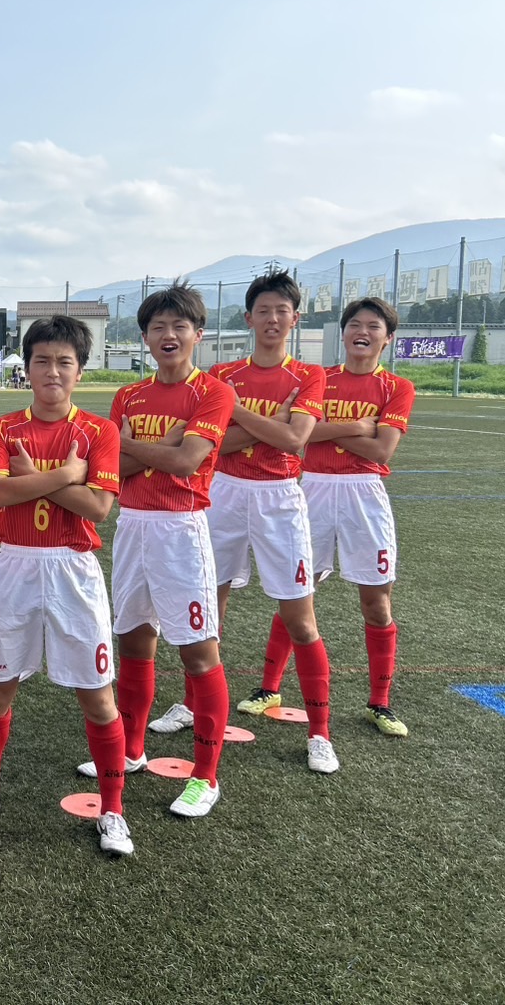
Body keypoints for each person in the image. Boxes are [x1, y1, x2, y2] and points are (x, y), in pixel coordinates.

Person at [0, 317, 133, 855]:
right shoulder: (0, 429)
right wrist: (67, 475)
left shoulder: (99, 431)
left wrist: (29, 480)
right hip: (14, 566)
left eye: (64, 362)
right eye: (41, 360)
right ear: (27, 368)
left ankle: (112, 810)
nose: (52, 371)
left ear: (80, 370)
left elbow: (99, 507)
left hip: (73, 569)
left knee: (98, 696)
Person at [201, 271, 337, 774]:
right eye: (264, 310)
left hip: (280, 497)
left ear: (295, 318)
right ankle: (196, 707)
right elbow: (214, 445)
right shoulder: (222, 374)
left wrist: (240, 414)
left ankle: (320, 732)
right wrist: (272, 423)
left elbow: (296, 441)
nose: (273, 319)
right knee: (209, 607)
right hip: (224, 492)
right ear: (248, 317)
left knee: (301, 619)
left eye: (282, 311)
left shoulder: (308, 375)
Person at [110, 284, 236, 818]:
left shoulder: (213, 393)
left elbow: (188, 463)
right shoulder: (128, 396)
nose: (168, 335)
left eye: (179, 326)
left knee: (197, 650)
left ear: (197, 334)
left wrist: (131, 445)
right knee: (133, 641)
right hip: (132, 526)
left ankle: (205, 776)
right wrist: (162, 446)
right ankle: (131, 751)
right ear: (144, 336)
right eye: (158, 327)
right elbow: (113, 469)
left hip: (181, 530)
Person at [297, 298, 415, 737]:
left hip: (364, 493)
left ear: (388, 338)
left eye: (373, 326)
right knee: (297, 591)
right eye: (354, 324)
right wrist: (358, 427)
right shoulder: (318, 379)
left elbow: (382, 450)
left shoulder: (397, 387)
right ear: (344, 332)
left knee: (376, 602)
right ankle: (268, 688)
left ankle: (379, 702)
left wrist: (326, 431)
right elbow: (300, 437)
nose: (362, 331)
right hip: (312, 487)